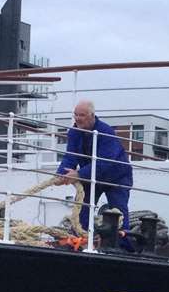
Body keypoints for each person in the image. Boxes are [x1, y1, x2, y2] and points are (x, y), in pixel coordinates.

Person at [51, 100, 133, 245]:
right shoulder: (74, 132)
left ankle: (123, 245)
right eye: (75, 115)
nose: (77, 118)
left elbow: (105, 162)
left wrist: (78, 174)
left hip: (117, 178)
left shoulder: (106, 132)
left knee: (118, 212)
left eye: (81, 115)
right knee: (82, 210)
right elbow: (70, 157)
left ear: (92, 116)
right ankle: (80, 240)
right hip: (90, 176)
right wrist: (60, 174)